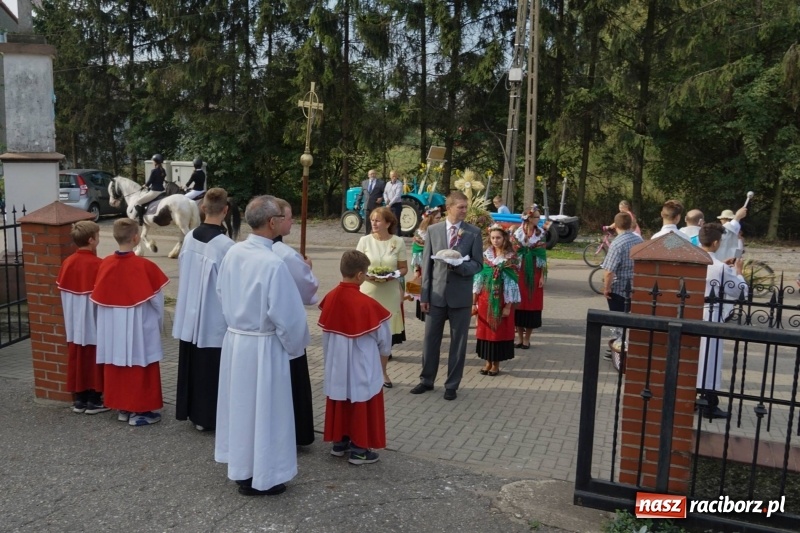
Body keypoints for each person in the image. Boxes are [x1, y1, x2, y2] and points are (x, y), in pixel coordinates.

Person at [215, 195, 309, 497]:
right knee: (267, 411)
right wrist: (294, 347)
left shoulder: (233, 253)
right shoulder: (272, 263)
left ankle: (243, 471)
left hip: (236, 341)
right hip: (264, 346)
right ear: (272, 223)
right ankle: (266, 475)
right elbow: (288, 316)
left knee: (241, 408)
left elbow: (220, 292)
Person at [91, 218, 169, 426]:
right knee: (140, 362)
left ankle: (123, 408)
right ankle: (140, 412)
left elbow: (97, 300)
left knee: (116, 362)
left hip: (112, 327)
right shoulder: (145, 266)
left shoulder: (105, 263)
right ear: (136, 238)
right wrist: (158, 324)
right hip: (138, 326)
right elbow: (158, 302)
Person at [319, 250, 392, 465]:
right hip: (361, 363)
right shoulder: (367, 304)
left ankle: (339, 443)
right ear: (360, 275)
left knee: (340, 398)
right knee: (361, 400)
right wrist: (383, 359)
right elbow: (384, 340)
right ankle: (360, 449)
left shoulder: (330, 298)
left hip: (336, 363)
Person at [172, 188, 234, 432]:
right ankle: (209, 417)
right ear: (226, 210)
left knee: (193, 365)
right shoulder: (226, 246)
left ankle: (192, 412)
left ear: (203, 208)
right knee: (211, 370)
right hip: (213, 319)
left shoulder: (189, 238)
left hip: (190, 315)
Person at [411, 191, 483, 400]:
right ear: (449, 207)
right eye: (460, 207)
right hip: (436, 296)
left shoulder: (473, 232)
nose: (464, 211)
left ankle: (452, 384)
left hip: (460, 297)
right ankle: (426, 380)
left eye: (465, 207)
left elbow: (478, 264)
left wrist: (461, 265)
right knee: (430, 340)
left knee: (458, 343)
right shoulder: (433, 230)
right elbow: (427, 264)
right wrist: (424, 296)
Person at [273, 197, 319, 447]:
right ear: (276, 221)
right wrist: (308, 269)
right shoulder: (287, 255)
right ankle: (295, 433)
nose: (293, 223)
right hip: (283, 334)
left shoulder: (240, 250)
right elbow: (308, 292)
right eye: (290, 218)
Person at [56, 220, 108, 415]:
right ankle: (94, 400)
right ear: (91, 240)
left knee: (77, 358)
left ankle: (79, 400)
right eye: (99, 236)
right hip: (94, 322)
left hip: (73, 322)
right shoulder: (98, 264)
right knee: (94, 359)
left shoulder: (67, 263)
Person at [697, 222, 747, 420]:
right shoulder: (718, 268)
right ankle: (709, 404)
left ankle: (693, 397)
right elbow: (740, 292)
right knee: (710, 360)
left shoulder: (694, 262)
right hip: (710, 315)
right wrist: (739, 273)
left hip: (692, 313)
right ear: (716, 242)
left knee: (697, 358)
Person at [357, 206, 408, 388]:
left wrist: (393, 274)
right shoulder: (364, 241)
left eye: (378, 220)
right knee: (365, 333)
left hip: (389, 291)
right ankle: (363, 371)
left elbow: (403, 268)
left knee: (385, 335)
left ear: (388, 223)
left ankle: (383, 372)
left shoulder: (398, 242)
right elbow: (357, 266)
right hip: (368, 290)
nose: (374, 223)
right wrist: (367, 275)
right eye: (372, 220)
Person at [473, 224, 520, 375]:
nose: (495, 240)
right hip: (485, 299)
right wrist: (474, 302)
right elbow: (478, 280)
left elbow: (512, 284)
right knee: (485, 330)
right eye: (493, 238)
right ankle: (487, 362)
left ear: (504, 238)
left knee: (498, 331)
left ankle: (496, 364)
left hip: (501, 301)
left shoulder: (511, 258)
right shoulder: (486, 256)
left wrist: (508, 306)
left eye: (498, 237)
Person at [512, 207, 547, 350]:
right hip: (519, 270)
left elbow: (542, 254)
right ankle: (519, 337)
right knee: (519, 302)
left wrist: (542, 276)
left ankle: (527, 338)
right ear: (529, 218)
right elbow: (513, 251)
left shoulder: (540, 234)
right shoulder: (517, 233)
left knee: (532, 302)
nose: (539, 219)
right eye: (536, 217)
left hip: (535, 271)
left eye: (539, 217)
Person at [409, 207, 442, 320]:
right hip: (424, 269)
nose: (440, 220)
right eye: (437, 218)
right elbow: (416, 253)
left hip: (437, 269)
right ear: (430, 219)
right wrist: (416, 270)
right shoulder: (420, 235)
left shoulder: (440, 232)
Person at [134, 154, 168, 225]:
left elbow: (150, 181)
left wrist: (144, 185)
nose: (152, 162)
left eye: (153, 161)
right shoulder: (163, 170)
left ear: (155, 162)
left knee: (137, 202)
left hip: (155, 191)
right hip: (162, 191)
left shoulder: (154, 171)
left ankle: (141, 220)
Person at [360, 169, 385, 235]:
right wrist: (357, 203)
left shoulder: (381, 183)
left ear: (376, 174)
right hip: (367, 206)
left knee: (376, 221)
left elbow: (385, 193)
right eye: (371, 174)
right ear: (368, 175)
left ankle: (377, 235)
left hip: (376, 206)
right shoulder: (364, 183)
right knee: (367, 222)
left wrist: (381, 198)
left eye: (374, 174)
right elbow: (361, 194)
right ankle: (367, 235)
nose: (372, 175)